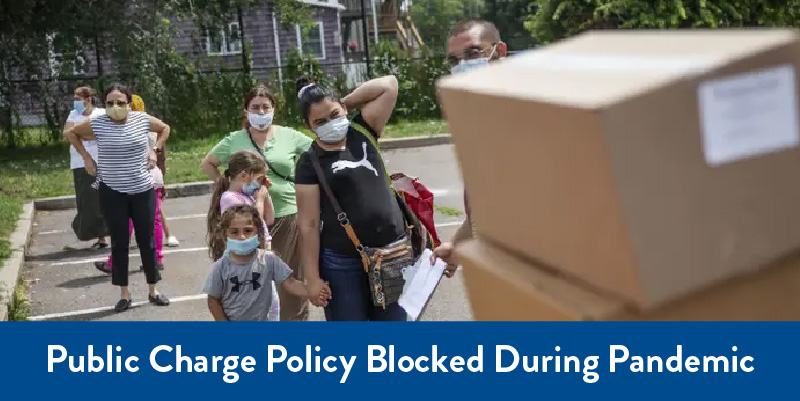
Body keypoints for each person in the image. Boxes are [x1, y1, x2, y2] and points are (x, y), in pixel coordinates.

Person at [294, 74, 409, 321]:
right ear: (309, 126)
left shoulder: (363, 131)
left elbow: (389, 84)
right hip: (343, 264)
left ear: (344, 109)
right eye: (320, 121)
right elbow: (308, 224)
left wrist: (341, 103)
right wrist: (312, 279)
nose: (330, 123)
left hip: (391, 254)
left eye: (334, 115)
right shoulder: (309, 162)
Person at [200, 85, 313, 321]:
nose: (260, 112)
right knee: (252, 283)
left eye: (265, 107)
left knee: (289, 279)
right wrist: (226, 185)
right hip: (245, 225)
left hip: (285, 217)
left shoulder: (288, 135)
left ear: (273, 109)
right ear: (246, 111)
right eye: (255, 107)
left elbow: (317, 153)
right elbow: (208, 163)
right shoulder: (235, 139)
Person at [64, 83, 171, 312]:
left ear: (129, 104)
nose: (115, 107)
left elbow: (165, 128)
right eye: (110, 102)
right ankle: (124, 293)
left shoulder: (141, 120)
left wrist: (154, 150)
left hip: (142, 190)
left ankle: (153, 289)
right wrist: (86, 158)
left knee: (147, 240)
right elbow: (70, 133)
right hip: (112, 191)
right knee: (119, 243)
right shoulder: (99, 123)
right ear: (105, 104)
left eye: (120, 102)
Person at [432, 19, 508, 276]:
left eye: (472, 53)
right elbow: (480, 215)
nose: (463, 65)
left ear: (500, 51)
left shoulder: (526, 115)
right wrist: (456, 246)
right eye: (454, 60)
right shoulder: (476, 120)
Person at [204, 204, 330, 321]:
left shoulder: (268, 259)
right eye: (234, 232)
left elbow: (290, 283)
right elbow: (213, 301)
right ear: (225, 235)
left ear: (258, 233)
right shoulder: (220, 267)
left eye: (247, 231)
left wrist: (313, 292)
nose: (241, 237)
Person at [94, 95, 166, 273]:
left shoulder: (136, 124)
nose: (116, 108)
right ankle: (156, 259)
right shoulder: (148, 123)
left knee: (125, 223)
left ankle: (114, 262)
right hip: (153, 176)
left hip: (136, 179)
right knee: (153, 220)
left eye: (121, 104)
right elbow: (160, 152)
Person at [206, 149, 280, 321]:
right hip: (248, 264)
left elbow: (269, 219)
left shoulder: (247, 196)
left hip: (261, 260)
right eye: (259, 178)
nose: (260, 184)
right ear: (244, 176)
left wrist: (265, 194)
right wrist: (259, 200)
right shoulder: (230, 199)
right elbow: (253, 223)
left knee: (271, 311)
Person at [64, 86, 108, 250]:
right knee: (86, 200)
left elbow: (103, 132)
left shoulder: (101, 113)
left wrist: (78, 133)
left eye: (77, 98)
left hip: (101, 161)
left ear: (88, 99)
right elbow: (67, 133)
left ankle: (103, 237)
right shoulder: (73, 114)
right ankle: (90, 232)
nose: (75, 102)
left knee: (101, 199)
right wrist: (81, 133)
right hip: (79, 163)